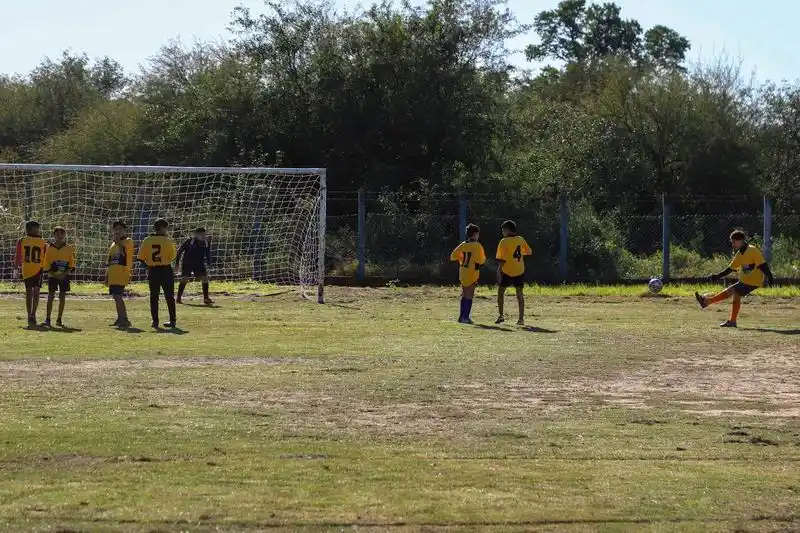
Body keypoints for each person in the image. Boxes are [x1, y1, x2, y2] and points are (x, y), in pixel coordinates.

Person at [695, 230, 774, 327]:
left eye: (734, 242)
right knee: (735, 296)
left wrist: (770, 277)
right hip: (745, 281)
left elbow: (763, 265)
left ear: (741, 240)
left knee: (731, 290)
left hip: (753, 281)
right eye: (732, 242)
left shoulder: (752, 250)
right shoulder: (740, 254)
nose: (733, 244)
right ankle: (732, 321)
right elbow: (730, 269)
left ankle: (707, 302)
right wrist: (717, 276)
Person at [137, 219, 178, 329]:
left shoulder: (147, 240)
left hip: (153, 271)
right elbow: (172, 257)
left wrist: (148, 267)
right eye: (166, 228)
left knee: (154, 296)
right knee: (169, 296)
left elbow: (140, 258)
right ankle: (172, 321)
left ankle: (155, 321)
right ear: (162, 228)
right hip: (165, 270)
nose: (167, 231)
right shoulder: (167, 241)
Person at [495, 220, 532, 325]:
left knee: (500, 292)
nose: (503, 232)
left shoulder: (504, 241)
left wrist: (499, 271)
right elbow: (529, 251)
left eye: (503, 230)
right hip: (519, 270)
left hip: (507, 271)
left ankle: (501, 315)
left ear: (507, 230)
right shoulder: (520, 239)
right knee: (519, 294)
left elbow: (502, 259)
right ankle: (521, 319)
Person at [449, 223, 486, 324]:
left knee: (464, 294)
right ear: (475, 234)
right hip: (472, 272)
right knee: (470, 295)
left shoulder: (463, 244)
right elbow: (481, 261)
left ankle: (461, 316)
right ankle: (466, 317)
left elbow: (452, 256)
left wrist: (461, 258)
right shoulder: (477, 246)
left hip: (463, 271)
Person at [14, 221, 47, 326]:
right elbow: (45, 256)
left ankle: (30, 315)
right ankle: (32, 314)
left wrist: (16, 268)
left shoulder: (22, 240)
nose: (39, 231)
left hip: (27, 270)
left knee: (29, 293)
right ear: (33, 229)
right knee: (36, 293)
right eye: (37, 229)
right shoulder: (42, 241)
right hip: (37, 270)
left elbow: (18, 256)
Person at [43, 226, 76, 327]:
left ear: (64, 235)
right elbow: (46, 263)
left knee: (62, 297)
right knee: (51, 296)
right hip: (53, 276)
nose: (59, 236)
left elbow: (71, 264)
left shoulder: (69, 248)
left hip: (64, 276)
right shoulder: (49, 248)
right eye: (57, 234)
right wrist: (53, 273)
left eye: (61, 233)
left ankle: (59, 319)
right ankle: (48, 319)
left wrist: (63, 274)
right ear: (54, 235)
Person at [107, 220, 134, 328]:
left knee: (118, 295)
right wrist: (106, 275)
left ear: (124, 231)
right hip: (113, 274)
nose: (118, 231)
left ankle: (123, 319)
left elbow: (124, 253)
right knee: (115, 296)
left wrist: (118, 241)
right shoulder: (112, 244)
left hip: (121, 272)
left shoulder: (128, 241)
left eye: (120, 229)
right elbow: (109, 261)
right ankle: (122, 318)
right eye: (116, 229)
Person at [176, 227, 213, 305]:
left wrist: (209, 263)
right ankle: (178, 298)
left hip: (199, 263)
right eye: (201, 234)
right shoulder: (189, 241)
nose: (203, 235)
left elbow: (208, 253)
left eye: (204, 234)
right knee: (184, 279)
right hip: (188, 263)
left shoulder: (206, 242)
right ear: (196, 234)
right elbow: (179, 251)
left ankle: (206, 298)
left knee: (205, 278)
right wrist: (177, 263)